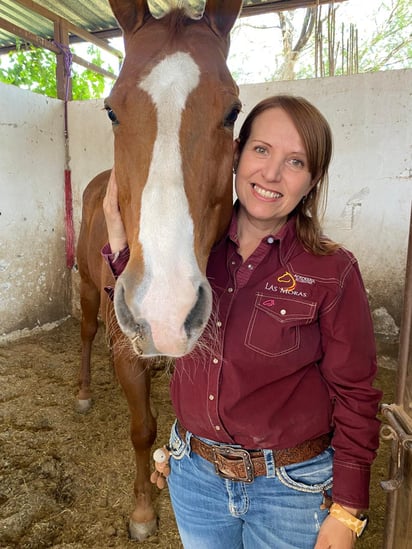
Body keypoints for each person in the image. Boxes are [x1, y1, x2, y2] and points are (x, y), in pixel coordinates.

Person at [102, 95, 382, 549]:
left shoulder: (332, 270)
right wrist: (119, 241)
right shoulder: (191, 255)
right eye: (261, 150)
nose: (271, 174)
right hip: (197, 479)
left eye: (295, 161)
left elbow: (356, 394)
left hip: (291, 490)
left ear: (312, 181)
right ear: (235, 155)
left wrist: (348, 509)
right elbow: (147, 324)